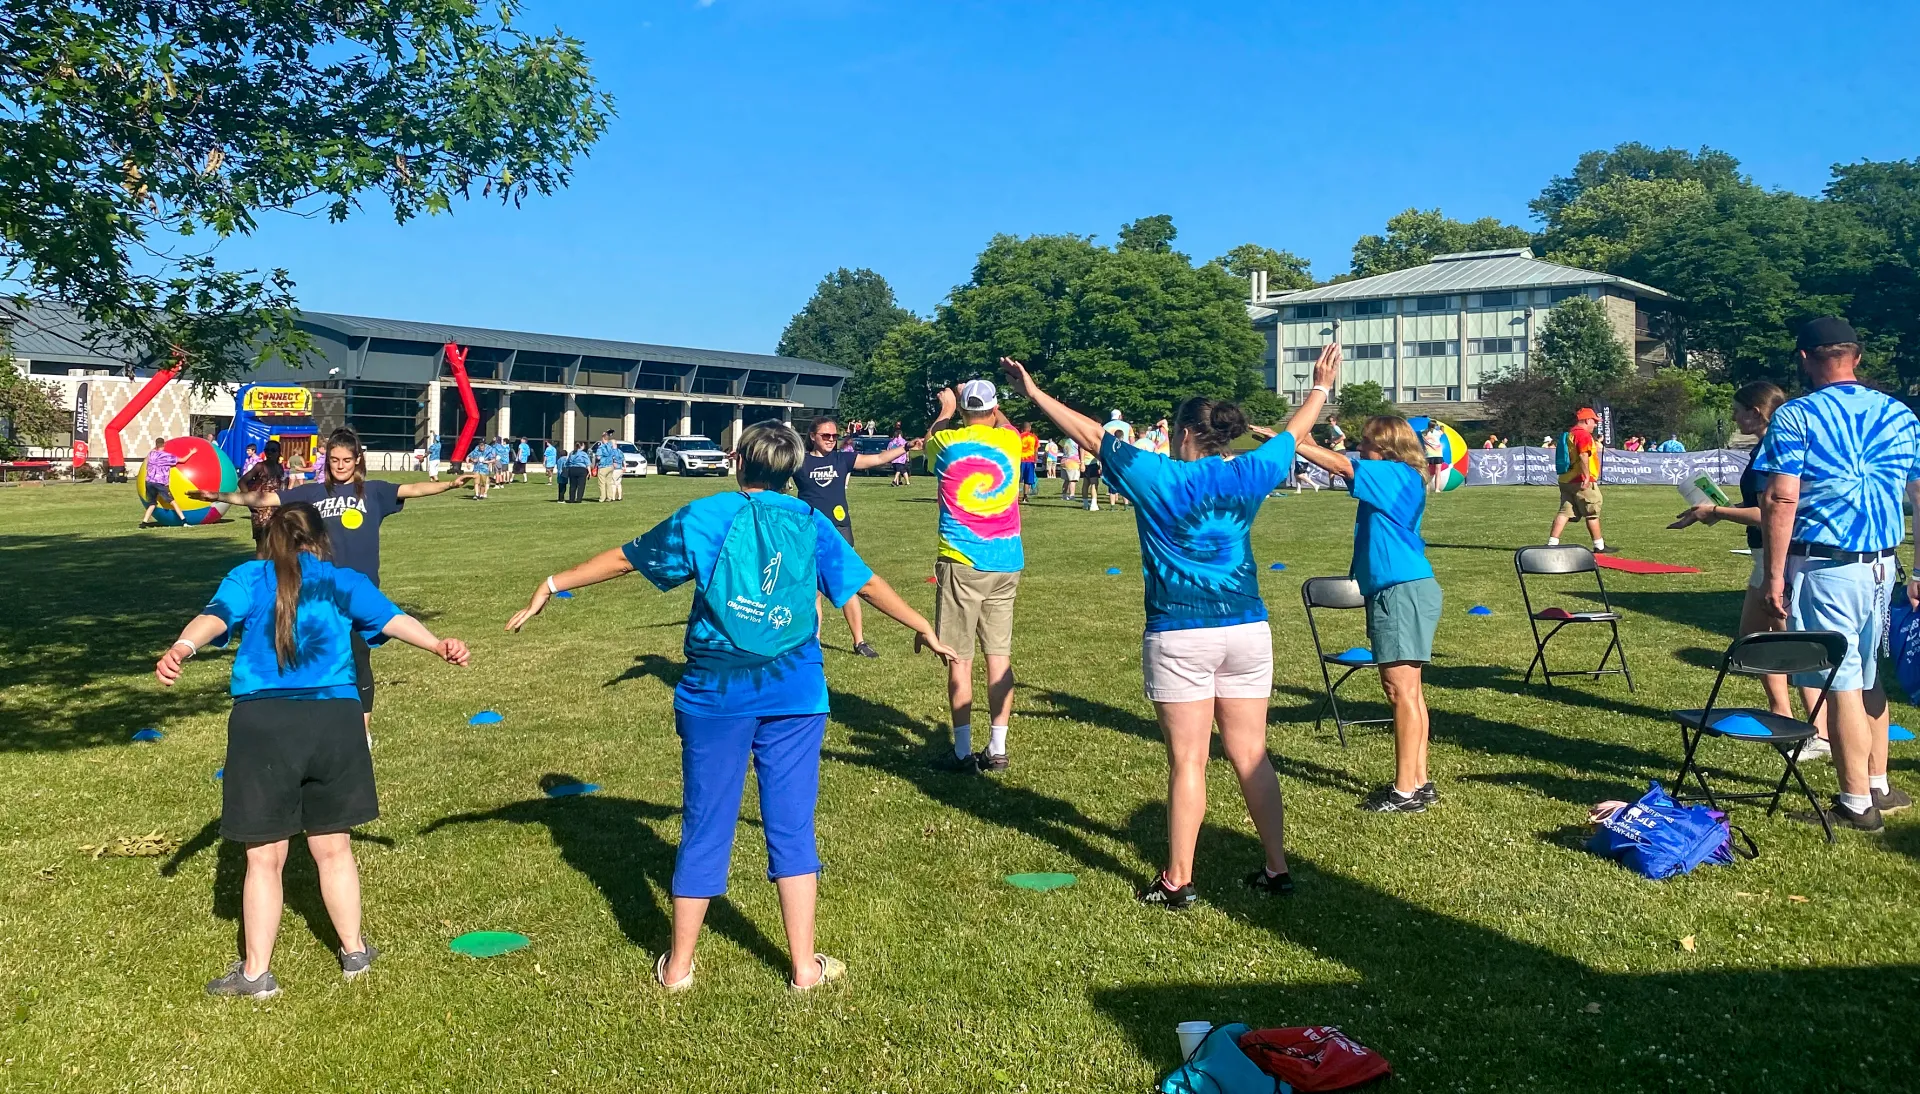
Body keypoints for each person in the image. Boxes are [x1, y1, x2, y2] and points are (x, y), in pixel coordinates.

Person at [504, 422, 956, 991]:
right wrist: (923, 626)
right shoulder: (810, 521)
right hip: (796, 693)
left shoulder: (706, 515)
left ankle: (678, 968)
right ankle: (802, 968)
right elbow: (865, 584)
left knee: (703, 824)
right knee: (792, 827)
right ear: (791, 468)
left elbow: (624, 560)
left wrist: (551, 583)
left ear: (739, 460)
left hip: (713, 695)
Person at [1002, 350, 1333, 907]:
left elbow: (1088, 434)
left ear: (1182, 433)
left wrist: (1033, 393)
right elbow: (1294, 432)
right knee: (1253, 754)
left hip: (1179, 632)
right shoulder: (1250, 470)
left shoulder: (1156, 474)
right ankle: (1277, 867)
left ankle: (1178, 880)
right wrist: (1320, 389)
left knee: (1189, 761)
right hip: (1247, 627)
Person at [155, 503, 469, 998]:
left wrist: (181, 648)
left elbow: (214, 617)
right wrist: (437, 645)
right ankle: (354, 952)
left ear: (268, 538)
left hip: (265, 726)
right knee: (333, 847)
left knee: (264, 858)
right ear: (320, 540)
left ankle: (257, 974)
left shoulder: (246, 577)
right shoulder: (342, 580)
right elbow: (391, 618)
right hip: (335, 722)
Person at [190, 427, 476, 739]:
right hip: (319, 592)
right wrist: (220, 497)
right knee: (324, 657)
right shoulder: (313, 493)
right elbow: (263, 498)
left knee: (358, 658)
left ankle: (361, 731)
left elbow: (414, 489)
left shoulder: (374, 492)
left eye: (346, 460)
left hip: (358, 593)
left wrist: (449, 484)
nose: (340, 466)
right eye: (335, 460)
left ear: (358, 461)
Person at [1755, 317, 1919, 831]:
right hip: (1881, 561)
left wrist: (1774, 575)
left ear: (1804, 358)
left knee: (1839, 680)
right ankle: (1877, 783)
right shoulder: (1900, 415)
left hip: (1824, 562)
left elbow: (1782, 496)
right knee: (1869, 675)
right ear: (1857, 356)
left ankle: (1854, 804)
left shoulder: (1797, 416)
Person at [1295, 411, 1443, 814]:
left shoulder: (1394, 474)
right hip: (1404, 589)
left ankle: (1404, 792)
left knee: (1400, 693)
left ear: (1387, 447)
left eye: (1366, 443)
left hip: (1401, 592)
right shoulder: (1402, 475)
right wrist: (1294, 439)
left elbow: (1341, 465)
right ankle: (1419, 781)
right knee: (1410, 692)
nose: (1360, 448)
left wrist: (1288, 439)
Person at [1669, 382, 1793, 720]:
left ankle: (1818, 729)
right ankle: (1781, 713)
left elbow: (1771, 513)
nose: (1734, 419)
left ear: (1756, 413)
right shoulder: (1764, 448)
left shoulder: (1777, 450)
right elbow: (1756, 507)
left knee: (1792, 647)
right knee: (1753, 640)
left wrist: (1718, 512)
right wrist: (1706, 511)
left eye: (1738, 411)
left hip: (1777, 557)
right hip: (1762, 556)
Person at [922, 379, 1025, 773]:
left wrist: (947, 410)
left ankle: (963, 752)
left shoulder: (946, 442)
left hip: (961, 561)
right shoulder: (1011, 443)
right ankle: (997, 749)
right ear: (995, 409)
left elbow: (930, 440)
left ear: (964, 411)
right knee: (999, 658)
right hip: (1006, 560)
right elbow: (1005, 424)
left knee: (959, 660)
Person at [796, 415, 899, 658]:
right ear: (813, 437)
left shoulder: (843, 458)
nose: (832, 440)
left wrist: (904, 448)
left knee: (849, 586)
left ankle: (859, 641)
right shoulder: (799, 462)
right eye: (826, 436)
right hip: (809, 530)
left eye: (835, 436)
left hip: (840, 529)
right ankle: (815, 642)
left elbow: (878, 458)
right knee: (814, 591)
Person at [1548, 407, 1608, 553]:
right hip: (1580, 479)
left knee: (1564, 512)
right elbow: (1583, 456)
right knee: (1592, 511)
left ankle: (1551, 544)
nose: (1595, 425)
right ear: (1587, 420)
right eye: (1594, 421)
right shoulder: (1584, 435)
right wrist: (1587, 476)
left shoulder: (1569, 434)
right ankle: (1599, 546)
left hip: (1565, 479)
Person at [239, 440, 290, 553]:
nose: (269, 453)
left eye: (273, 450)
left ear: (279, 452)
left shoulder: (280, 468)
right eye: (267, 450)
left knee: (277, 544)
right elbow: (242, 482)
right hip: (261, 511)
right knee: (262, 546)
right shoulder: (260, 466)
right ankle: (260, 569)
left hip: (277, 510)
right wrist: (250, 501)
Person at [139, 437, 187, 527]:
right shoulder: (166, 456)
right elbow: (183, 460)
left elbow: (152, 455)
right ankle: (184, 521)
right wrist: (192, 453)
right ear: (164, 444)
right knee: (172, 502)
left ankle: (144, 523)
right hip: (160, 483)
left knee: (152, 503)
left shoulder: (151, 454)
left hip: (149, 482)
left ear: (156, 445)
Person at [594, 431, 623, 503]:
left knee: (602, 483)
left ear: (603, 438)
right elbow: (614, 455)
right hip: (610, 466)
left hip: (603, 466)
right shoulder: (611, 447)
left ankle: (602, 498)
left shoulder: (601, 447)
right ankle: (609, 497)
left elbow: (598, 457)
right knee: (609, 482)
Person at [1018, 424, 1040, 502]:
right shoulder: (1034, 437)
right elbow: (1036, 451)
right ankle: (1025, 496)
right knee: (1028, 480)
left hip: (1019, 460)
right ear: (1030, 428)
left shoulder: (1018, 436)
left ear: (1022, 429)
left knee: (1018, 479)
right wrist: (1035, 460)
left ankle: (1015, 496)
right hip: (1030, 461)